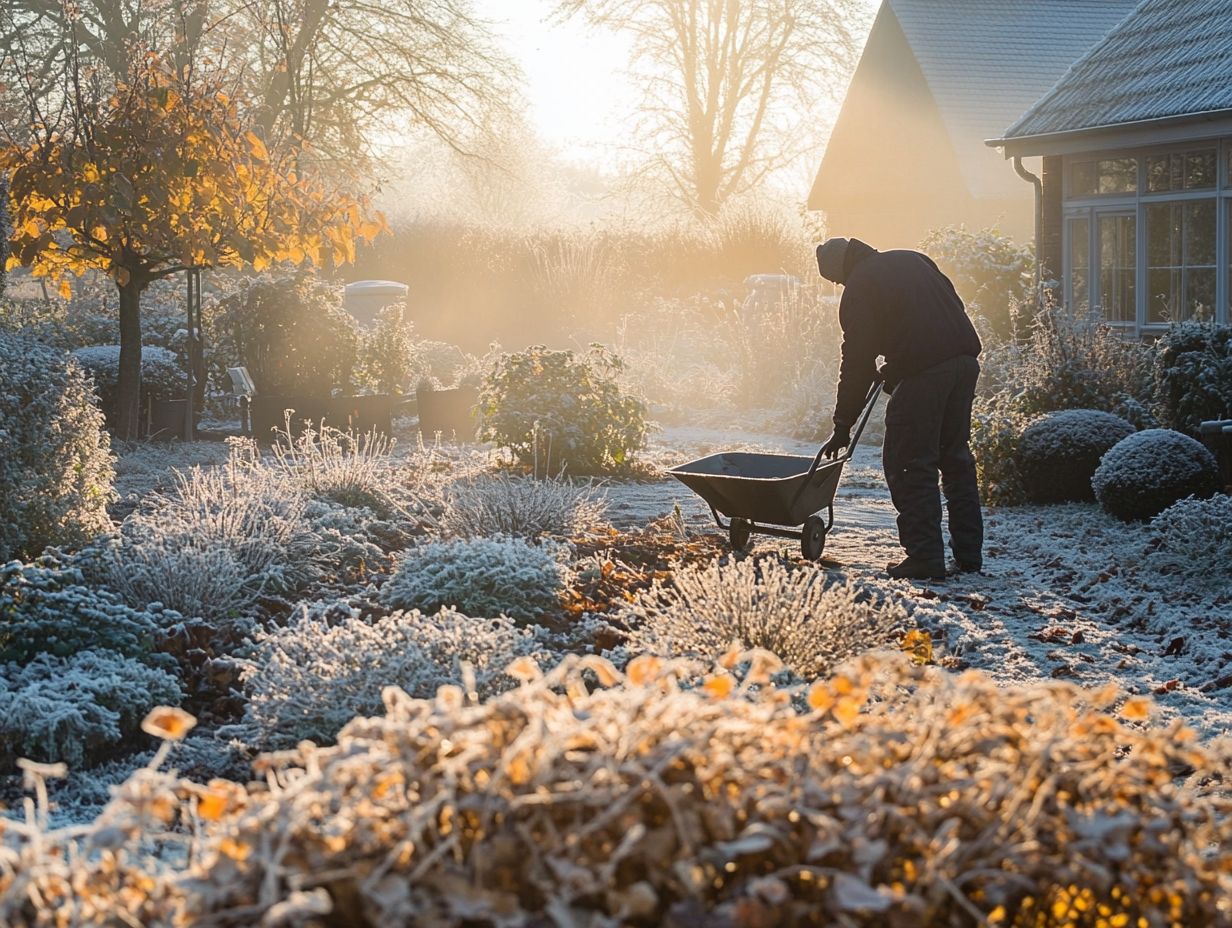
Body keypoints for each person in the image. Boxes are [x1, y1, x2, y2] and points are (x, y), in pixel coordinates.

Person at [815, 237, 983, 581]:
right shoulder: (912, 258)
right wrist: (900, 362)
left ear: (839, 272)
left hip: (926, 373)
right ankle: (969, 556)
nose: (839, 286)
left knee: (909, 463)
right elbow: (944, 308)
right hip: (964, 362)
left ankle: (925, 558)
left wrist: (843, 423)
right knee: (955, 460)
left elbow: (858, 360)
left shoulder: (859, 285)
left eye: (835, 281)